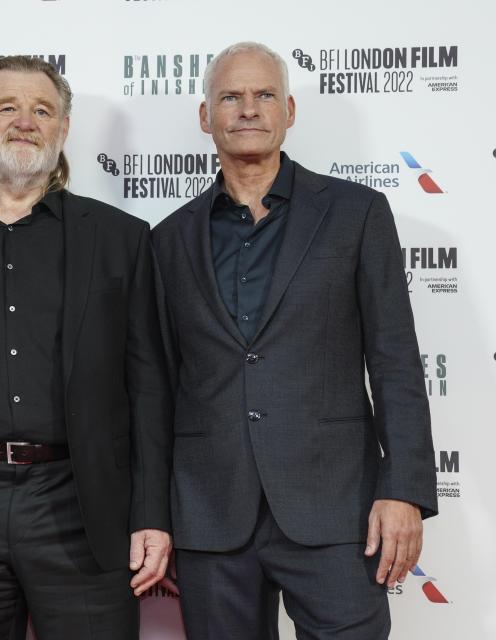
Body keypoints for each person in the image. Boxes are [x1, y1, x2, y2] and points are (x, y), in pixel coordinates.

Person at [152, 42, 438, 639]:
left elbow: (395, 362)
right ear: (206, 116)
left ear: (289, 110)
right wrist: (156, 515)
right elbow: (157, 388)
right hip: (211, 514)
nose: (247, 109)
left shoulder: (357, 213)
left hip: (337, 509)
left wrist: (404, 491)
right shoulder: (168, 239)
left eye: (263, 96)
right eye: (230, 96)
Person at [0, 55, 172, 640]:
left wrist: (151, 514)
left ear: (64, 129)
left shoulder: (121, 238)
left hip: (84, 507)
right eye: (7, 108)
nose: (26, 121)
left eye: (42, 110)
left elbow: (148, 387)